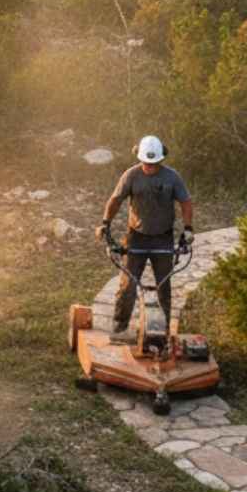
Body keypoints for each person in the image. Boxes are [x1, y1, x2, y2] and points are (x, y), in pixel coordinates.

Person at [98, 135, 194, 343]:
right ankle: (120, 325)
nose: (149, 167)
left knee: (164, 286)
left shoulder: (172, 177)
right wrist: (105, 223)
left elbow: (186, 202)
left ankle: (164, 331)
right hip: (136, 238)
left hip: (163, 238)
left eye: (154, 163)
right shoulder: (131, 176)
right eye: (146, 163)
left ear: (161, 160)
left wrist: (188, 229)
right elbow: (116, 200)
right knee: (128, 285)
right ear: (140, 158)